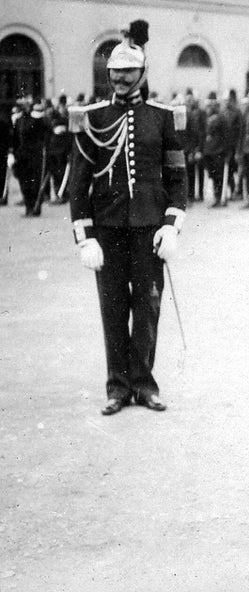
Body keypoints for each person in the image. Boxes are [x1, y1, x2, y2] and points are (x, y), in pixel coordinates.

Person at [68, 33, 187, 416]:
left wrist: (171, 226)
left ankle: (144, 385)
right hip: (108, 229)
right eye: (114, 72)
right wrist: (85, 238)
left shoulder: (162, 116)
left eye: (128, 72)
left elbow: (178, 179)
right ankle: (117, 388)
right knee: (113, 308)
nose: (120, 79)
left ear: (142, 72)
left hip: (150, 229)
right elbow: (78, 185)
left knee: (148, 308)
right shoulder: (93, 118)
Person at [13, 95, 49, 216]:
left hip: (34, 155)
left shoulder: (37, 119)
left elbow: (46, 131)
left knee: (34, 183)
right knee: (24, 183)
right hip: (22, 155)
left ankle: (35, 207)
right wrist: (14, 154)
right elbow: (15, 139)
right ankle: (28, 207)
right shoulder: (18, 121)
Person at [202, 95, 228, 207]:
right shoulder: (207, 117)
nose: (211, 106)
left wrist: (225, 150)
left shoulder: (222, 118)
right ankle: (215, 196)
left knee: (219, 176)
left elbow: (226, 135)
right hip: (209, 151)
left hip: (218, 151)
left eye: (213, 104)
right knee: (212, 176)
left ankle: (220, 197)